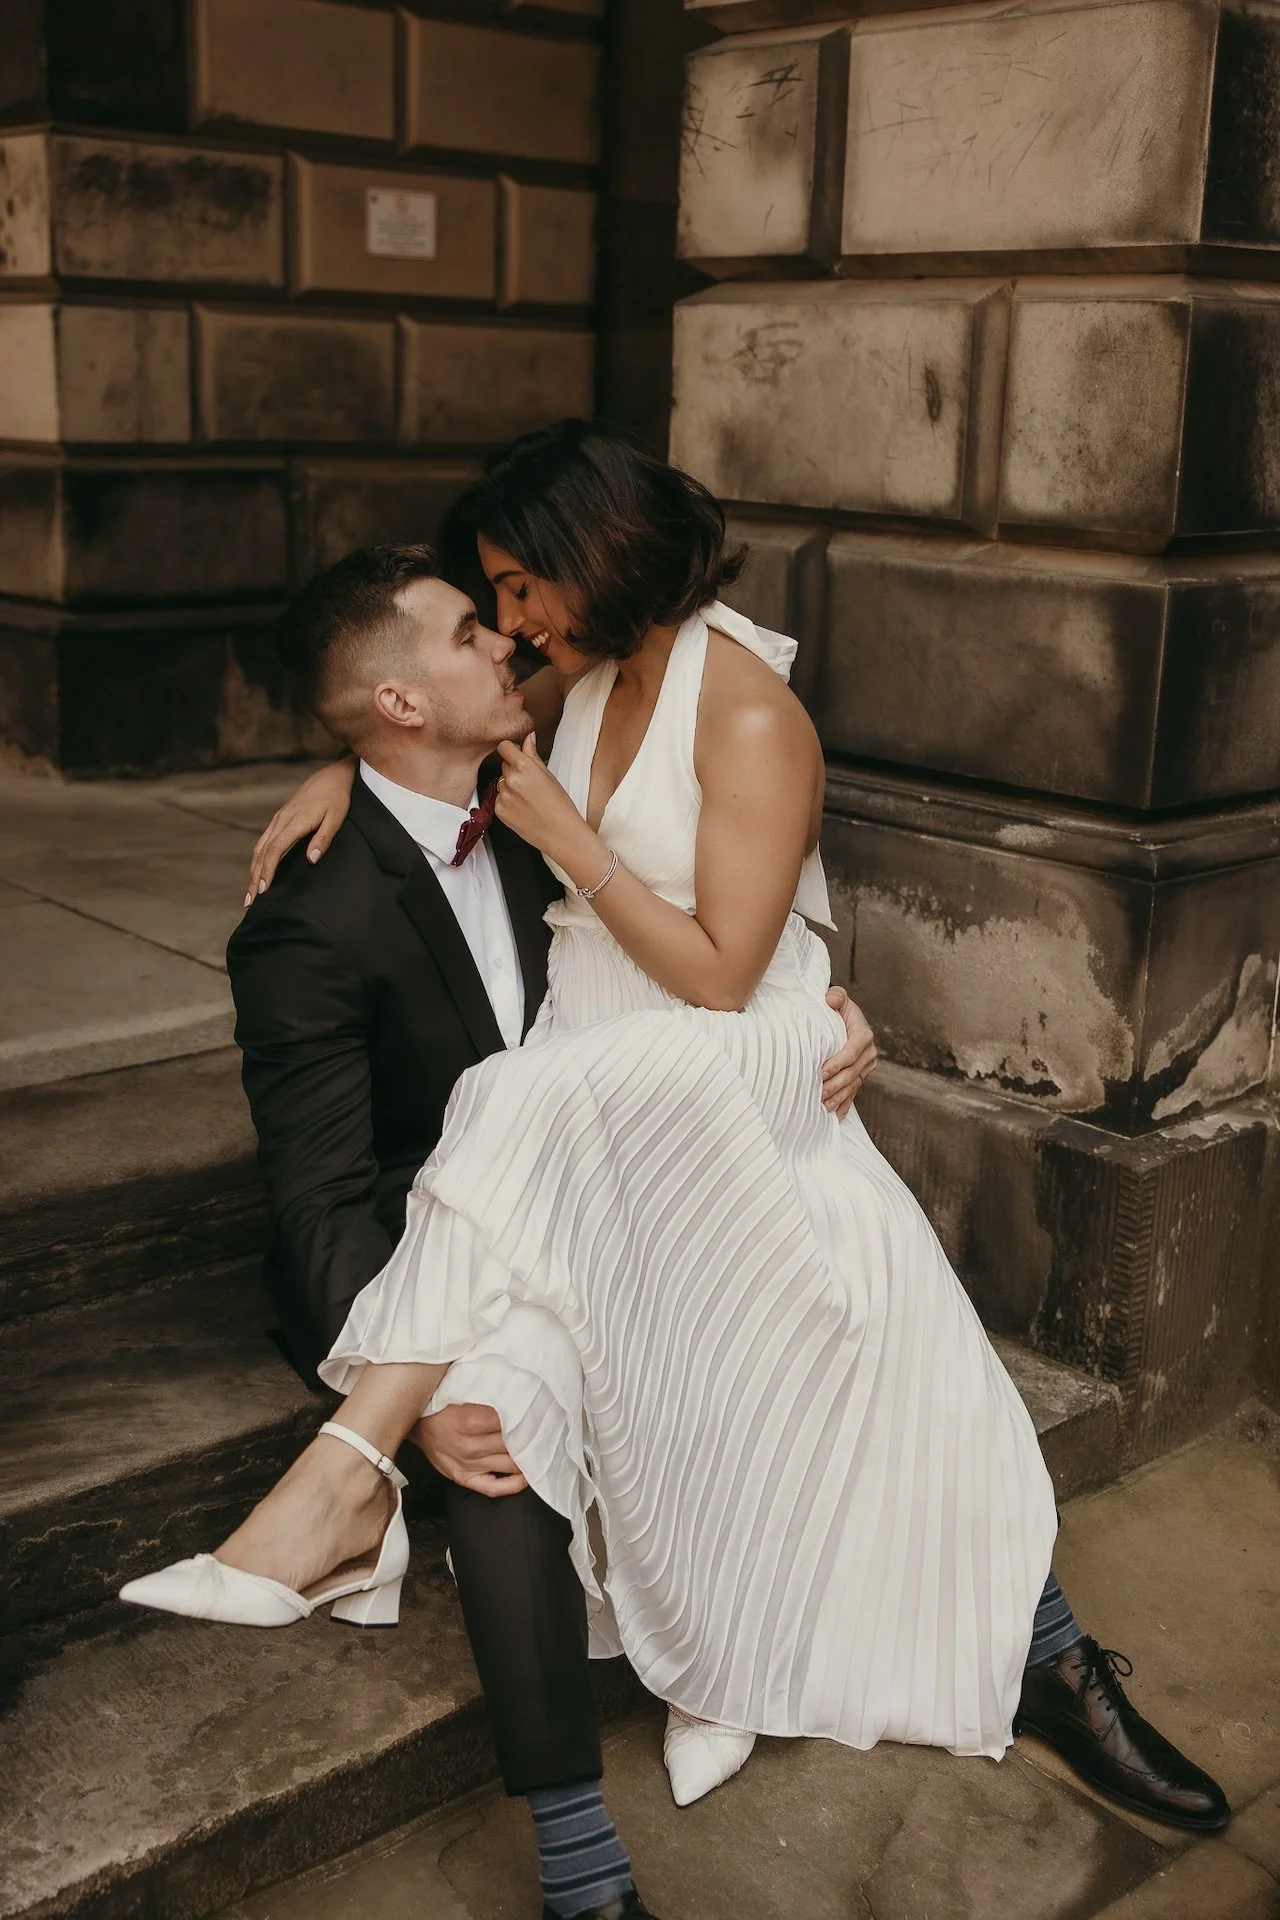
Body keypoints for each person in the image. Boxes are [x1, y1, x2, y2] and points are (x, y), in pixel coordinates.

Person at [123, 424, 1228, 1909]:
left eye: (517, 592)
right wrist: (346, 770)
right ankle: (584, 1870)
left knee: (870, 1311)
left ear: (590, 565)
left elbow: (723, 963)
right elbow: (408, 711)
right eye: (490, 607)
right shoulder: (561, 691)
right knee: (515, 1375)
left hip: (697, 1070)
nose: (508, 627)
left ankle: (1048, 1656)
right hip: (598, 1130)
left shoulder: (738, 711)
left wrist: (792, 985)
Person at [122, 527, 873, 1920]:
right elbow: (320, 1198)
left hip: (613, 1179)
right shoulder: (310, 921)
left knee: (836, 1292)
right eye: (474, 633)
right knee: (495, 1424)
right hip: (430, 1242)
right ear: (404, 705)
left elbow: (709, 905)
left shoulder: (547, 788)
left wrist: (822, 1006)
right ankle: (582, 1867)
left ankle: (978, 1634)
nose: (511, 641)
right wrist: (421, 1375)